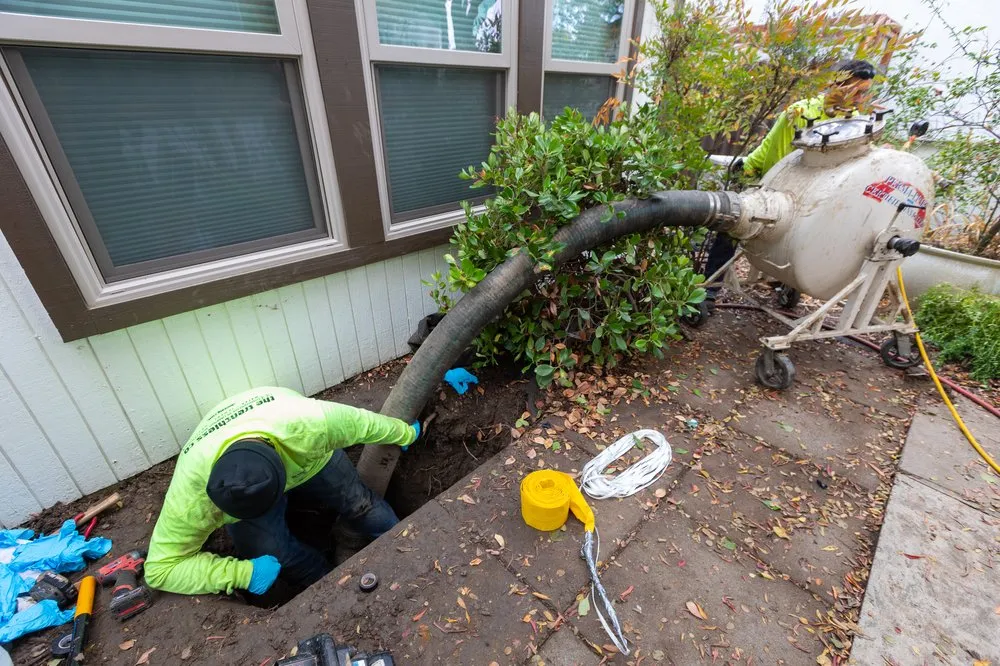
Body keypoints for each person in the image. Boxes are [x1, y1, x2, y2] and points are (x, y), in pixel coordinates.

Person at [144, 386, 419, 597]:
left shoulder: (307, 424)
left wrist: (404, 434)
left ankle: (409, 547)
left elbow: (364, 424)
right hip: (241, 464)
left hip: (307, 459)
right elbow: (159, 569)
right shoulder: (190, 498)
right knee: (276, 553)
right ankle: (330, 586)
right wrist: (241, 574)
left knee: (360, 503)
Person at [703, 59, 878, 304]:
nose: (860, 98)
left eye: (865, 93)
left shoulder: (854, 121)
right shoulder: (802, 112)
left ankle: (788, 285)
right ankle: (708, 292)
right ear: (839, 84)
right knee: (736, 225)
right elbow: (780, 159)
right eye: (857, 91)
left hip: (808, 182)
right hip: (761, 173)